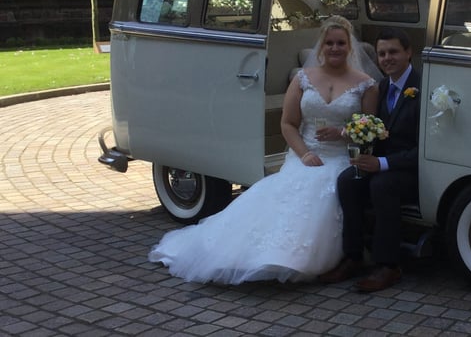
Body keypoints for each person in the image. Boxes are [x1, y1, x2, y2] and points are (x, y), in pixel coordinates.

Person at [148, 15, 379, 284]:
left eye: (340, 43)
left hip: (341, 157)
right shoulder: (303, 79)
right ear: (321, 46)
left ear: (350, 46)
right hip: (305, 154)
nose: (335, 48)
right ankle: (251, 250)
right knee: (286, 193)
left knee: (328, 192)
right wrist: (305, 154)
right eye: (329, 43)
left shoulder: (365, 84)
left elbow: (368, 129)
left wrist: (342, 133)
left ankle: (311, 256)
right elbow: (288, 123)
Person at [319, 27, 421, 292]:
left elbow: (425, 148)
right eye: (382, 54)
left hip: (413, 169)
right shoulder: (382, 87)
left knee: (381, 185)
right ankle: (353, 257)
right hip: (383, 163)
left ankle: (388, 265)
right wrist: (364, 153)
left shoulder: (424, 87)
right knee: (348, 180)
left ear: (408, 52)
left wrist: (382, 164)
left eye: (393, 52)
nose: (387, 58)